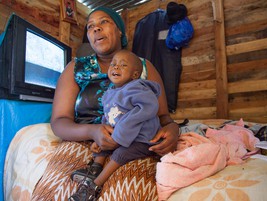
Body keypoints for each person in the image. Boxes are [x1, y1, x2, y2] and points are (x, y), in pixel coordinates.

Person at [31, 6, 179, 201]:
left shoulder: (143, 67)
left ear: (120, 31)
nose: (96, 29)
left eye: (104, 22)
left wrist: (173, 129)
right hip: (84, 142)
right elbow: (59, 121)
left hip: (135, 141)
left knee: (130, 191)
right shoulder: (76, 68)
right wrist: (93, 131)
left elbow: (163, 117)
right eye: (90, 26)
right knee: (57, 189)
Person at [69, 49, 162, 200]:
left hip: (142, 139)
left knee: (120, 154)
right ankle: (95, 168)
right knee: (103, 146)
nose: (116, 67)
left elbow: (148, 108)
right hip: (122, 135)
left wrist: (118, 138)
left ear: (135, 74)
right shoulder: (110, 92)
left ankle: (93, 186)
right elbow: (109, 116)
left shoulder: (138, 88)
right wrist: (101, 139)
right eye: (113, 64)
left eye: (123, 65)